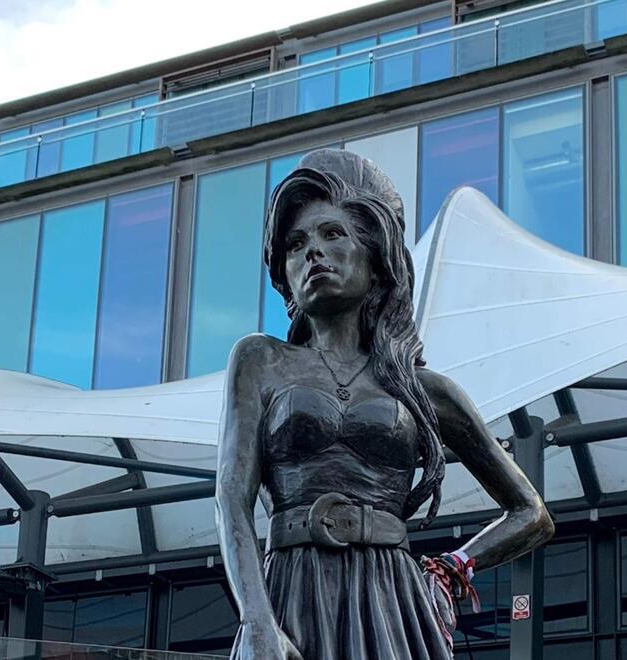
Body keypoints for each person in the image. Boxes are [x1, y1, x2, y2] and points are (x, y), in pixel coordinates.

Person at [215, 149, 554, 660]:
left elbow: (530, 512)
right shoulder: (260, 360)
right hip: (291, 590)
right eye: (296, 244)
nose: (312, 253)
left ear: (376, 259)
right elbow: (230, 499)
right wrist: (257, 619)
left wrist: (455, 566)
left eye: (333, 234)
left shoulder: (425, 390)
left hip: (392, 599)